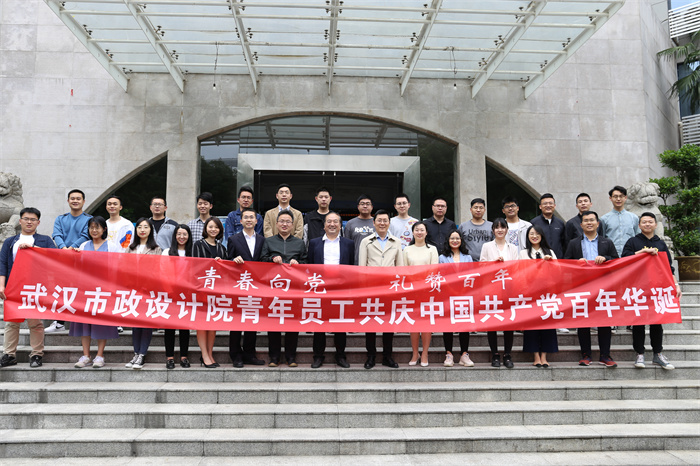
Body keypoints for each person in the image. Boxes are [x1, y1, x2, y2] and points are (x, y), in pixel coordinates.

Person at [623, 212, 681, 370]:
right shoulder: (633, 241)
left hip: (657, 288)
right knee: (639, 322)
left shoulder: (660, 244)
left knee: (657, 322)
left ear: (655, 225)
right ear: (639, 225)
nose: (647, 224)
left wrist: (676, 285)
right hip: (637, 288)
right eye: (644, 222)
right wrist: (642, 252)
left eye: (650, 222)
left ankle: (658, 353)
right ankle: (640, 354)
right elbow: (624, 259)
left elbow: (668, 267)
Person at [0, 208, 56, 368]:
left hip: (35, 287)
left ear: (38, 222)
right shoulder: (10, 242)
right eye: (26, 219)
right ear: (20, 221)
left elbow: (55, 257)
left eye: (33, 219)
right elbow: (2, 264)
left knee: (35, 322)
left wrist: (33, 249)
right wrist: (2, 285)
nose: (29, 222)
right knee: (11, 322)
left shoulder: (45, 240)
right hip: (13, 287)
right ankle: (9, 355)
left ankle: (37, 354)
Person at [564, 211, 619, 367]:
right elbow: (566, 262)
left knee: (604, 321)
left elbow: (616, 261)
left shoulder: (607, 242)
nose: (589, 223)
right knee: (583, 321)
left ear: (597, 224)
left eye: (592, 220)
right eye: (586, 221)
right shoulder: (574, 243)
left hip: (603, 286)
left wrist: (606, 258)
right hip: (582, 286)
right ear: (581, 225)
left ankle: (605, 355)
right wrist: (577, 262)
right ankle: (586, 354)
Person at [70, 216, 121, 368]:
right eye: (91, 227)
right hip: (85, 290)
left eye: (97, 227)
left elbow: (117, 268)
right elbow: (76, 267)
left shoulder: (112, 246)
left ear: (104, 229)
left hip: (104, 291)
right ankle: (86, 355)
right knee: (84, 323)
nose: (94, 230)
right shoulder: (84, 245)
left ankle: (99, 355)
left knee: (101, 323)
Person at [307, 212, 355, 369]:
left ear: (340, 225)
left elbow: (352, 266)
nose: (332, 224)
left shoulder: (348, 243)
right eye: (329, 221)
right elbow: (309, 266)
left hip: (341, 289)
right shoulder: (314, 243)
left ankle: (340, 356)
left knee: (340, 325)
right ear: (324, 225)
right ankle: (318, 356)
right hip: (320, 289)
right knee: (319, 324)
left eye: (335, 222)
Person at [358, 210, 403, 369]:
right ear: (374, 222)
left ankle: (387, 356)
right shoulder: (366, 241)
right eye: (379, 220)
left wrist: (399, 288)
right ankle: (371, 356)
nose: (382, 223)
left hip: (390, 288)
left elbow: (400, 267)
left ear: (389, 223)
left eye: (385, 220)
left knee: (388, 323)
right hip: (371, 288)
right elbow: (362, 267)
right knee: (371, 323)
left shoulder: (396, 242)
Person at [261, 210, 307, 367]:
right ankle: (274, 357)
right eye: (282, 221)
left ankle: (291, 357)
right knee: (273, 323)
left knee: (292, 323)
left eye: (288, 222)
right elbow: (261, 260)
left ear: (292, 225)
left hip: (294, 289)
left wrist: (298, 263)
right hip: (274, 288)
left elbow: (306, 262)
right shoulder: (269, 241)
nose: (285, 224)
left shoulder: (299, 243)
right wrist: (272, 259)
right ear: (276, 224)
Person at [47, 189, 91, 333]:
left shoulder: (89, 219)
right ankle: (59, 321)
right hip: (63, 258)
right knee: (61, 289)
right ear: (68, 201)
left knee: (81, 289)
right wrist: (64, 248)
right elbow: (56, 234)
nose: (75, 201)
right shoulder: (61, 219)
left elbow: (86, 235)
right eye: (72, 198)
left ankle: (80, 319)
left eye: (78, 198)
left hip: (82, 259)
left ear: (84, 201)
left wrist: (71, 248)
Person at [227, 208, 266, 368]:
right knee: (237, 322)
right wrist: (233, 259)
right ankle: (235, 354)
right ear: (241, 221)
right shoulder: (233, 239)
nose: (249, 220)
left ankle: (250, 354)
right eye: (246, 217)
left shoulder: (262, 240)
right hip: (239, 286)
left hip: (256, 286)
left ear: (256, 221)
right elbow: (228, 260)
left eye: (252, 217)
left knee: (251, 321)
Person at [518, 225, 559, 368]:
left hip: (547, 294)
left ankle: (544, 356)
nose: (534, 236)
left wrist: (551, 263)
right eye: (531, 234)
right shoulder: (523, 253)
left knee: (547, 325)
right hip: (530, 293)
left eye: (537, 234)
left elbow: (558, 271)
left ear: (542, 236)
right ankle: (535, 356)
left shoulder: (550, 252)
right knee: (532, 326)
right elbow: (520, 272)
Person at [124, 218, 162, 369]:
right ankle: (136, 353)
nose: (142, 230)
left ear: (150, 230)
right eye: (139, 227)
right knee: (135, 323)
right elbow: (125, 268)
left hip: (148, 291)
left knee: (146, 323)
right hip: (133, 290)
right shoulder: (130, 247)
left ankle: (142, 354)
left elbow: (157, 270)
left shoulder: (156, 249)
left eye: (146, 227)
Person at [480, 218, 518, 368]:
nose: (500, 230)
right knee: (492, 322)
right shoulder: (487, 246)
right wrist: (493, 263)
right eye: (497, 227)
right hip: (491, 288)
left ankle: (507, 354)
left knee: (509, 322)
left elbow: (517, 267)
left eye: (503, 227)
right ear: (493, 230)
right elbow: (481, 266)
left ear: (507, 230)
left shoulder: (512, 248)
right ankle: (495, 354)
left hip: (509, 288)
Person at [192, 217, 227, 368]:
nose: (213, 230)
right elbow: (195, 266)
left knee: (213, 325)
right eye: (211, 227)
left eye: (216, 227)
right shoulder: (198, 245)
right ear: (205, 228)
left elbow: (227, 271)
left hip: (217, 291)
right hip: (201, 289)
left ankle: (210, 354)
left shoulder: (222, 248)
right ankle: (204, 355)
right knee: (202, 324)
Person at [403, 221, 439, 367]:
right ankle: (415, 353)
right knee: (413, 323)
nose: (419, 232)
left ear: (426, 233)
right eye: (416, 230)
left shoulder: (432, 249)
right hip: (411, 291)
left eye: (422, 230)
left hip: (427, 291)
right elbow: (404, 270)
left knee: (425, 323)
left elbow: (434, 270)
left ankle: (424, 353)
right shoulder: (407, 249)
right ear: (412, 232)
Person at [438, 230, 474, 367]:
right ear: (448, 240)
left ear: (461, 240)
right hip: (447, 295)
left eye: (457, 238)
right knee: (448, 324)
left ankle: (464, 354)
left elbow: (471, 275)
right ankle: (449, 354)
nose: (455, 241)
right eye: (452, 238)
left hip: (464, 295)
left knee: (464, 324)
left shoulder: (468, 257)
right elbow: (440, 276)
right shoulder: (442, 257)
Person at [161, 224, 193, 369]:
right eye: (179, 234)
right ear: (174, 236)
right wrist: (168, 289)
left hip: (187, 294)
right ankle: (170, 357)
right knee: (170, 327)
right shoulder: (167, 252)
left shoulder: (192, 252)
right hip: (170, 293)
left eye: (184, 234)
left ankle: (184, 357)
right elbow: (162, 272)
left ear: (189, 236)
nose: (182, 237)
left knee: (184, 327)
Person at [600, 185, 640, 257]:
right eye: (615, 196)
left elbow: (638, 237)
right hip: (611, 256)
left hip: (630, 255)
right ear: (610, 198)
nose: (618, 199)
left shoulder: (634, 217)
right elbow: (602, 239)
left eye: (621, 196)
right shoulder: (604, 219)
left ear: (625, 198)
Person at [529, 193, 565, 259]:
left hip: (558, 260)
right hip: (541, 259)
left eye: (550, 203)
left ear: (554, 206)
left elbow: (564, 243)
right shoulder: (534, 223)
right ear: (540, 206)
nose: (548, 205)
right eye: (545, 203)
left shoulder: (560, 223)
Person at [458, 198, 493, 262]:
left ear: (484, 210)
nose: (478, 210)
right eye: (475, 207)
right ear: (471, 210)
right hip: (468, 262)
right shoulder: (463, 226)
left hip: (487, 261)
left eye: (481, 208)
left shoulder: (491, 226)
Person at [343, 194, 375, 264]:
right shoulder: (350, 223)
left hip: (373, 263)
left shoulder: (377, 223)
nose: (365, 206)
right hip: (355, 263)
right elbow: (346, 246)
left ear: (372, 207)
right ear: (358, 207)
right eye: (362, 204)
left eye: (368, 204)